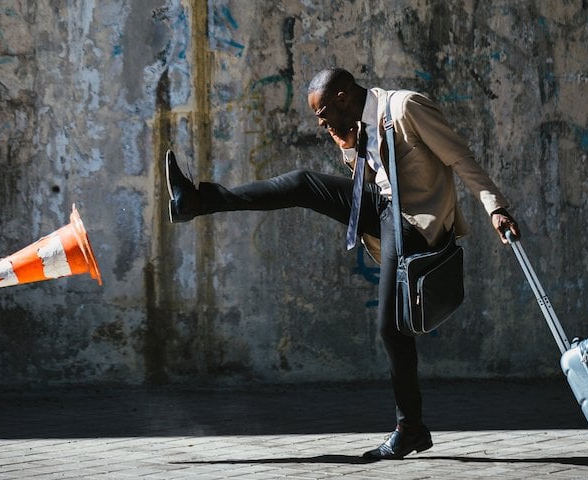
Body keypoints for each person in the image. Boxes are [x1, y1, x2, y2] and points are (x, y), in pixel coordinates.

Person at [163, 68, 520, 460]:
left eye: (322, 113)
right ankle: (196, 201)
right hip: (384, 210)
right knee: (302, 183)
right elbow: (368, 179)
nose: (320, 123)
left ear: (343, 98)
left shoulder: (405, 107)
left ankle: (410, 428)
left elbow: (459, 156)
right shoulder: (357, 123)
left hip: (415, 222)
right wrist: (349, 147)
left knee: (391, 328)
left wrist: (496, 207)